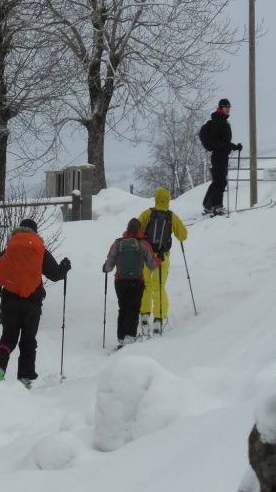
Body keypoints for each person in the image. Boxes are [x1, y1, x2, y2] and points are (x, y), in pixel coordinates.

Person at [0, 219, 71, 389]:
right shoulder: (39, 249)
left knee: (8, 338)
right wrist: (64, 267)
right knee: (28, 340)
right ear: (35, 232)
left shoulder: (9, 249)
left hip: (10, 301)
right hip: (32, 302)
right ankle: (25, 379)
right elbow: (54, 275)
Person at [102, 218, 161, 348]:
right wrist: (159, 260)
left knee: (123, 308)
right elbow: (152, 265)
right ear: (139, 229)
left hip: (120, 282)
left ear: (127, 229)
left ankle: (121, 338)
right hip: (137, 281)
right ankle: (130, 337)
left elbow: (109, 265)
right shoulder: (143, 244)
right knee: (133, 309)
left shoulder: (118, 243)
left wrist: (105, 268)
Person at [137, 188, 188, 336]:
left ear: (156, 199)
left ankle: (144, 314)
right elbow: (183, 236)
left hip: (146, 256)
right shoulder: (171, 217)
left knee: (145, 284)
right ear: (168, 200)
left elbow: (136, 229)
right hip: (162, 258)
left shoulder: (148, 213)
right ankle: (159, 318)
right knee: (159, 286)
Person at [199, 98, 244, 215]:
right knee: (220, 181)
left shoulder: (222, 121)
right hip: (219, 155)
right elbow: (216, 141)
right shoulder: (218, 121)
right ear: (220, 108)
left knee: (218, 181)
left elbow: (224, 141)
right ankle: (216, 206)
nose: (228, 109)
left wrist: (235, 147)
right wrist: (224, 147)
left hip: (222, 155)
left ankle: (208, 205)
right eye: (226, 107)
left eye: (229, 107)